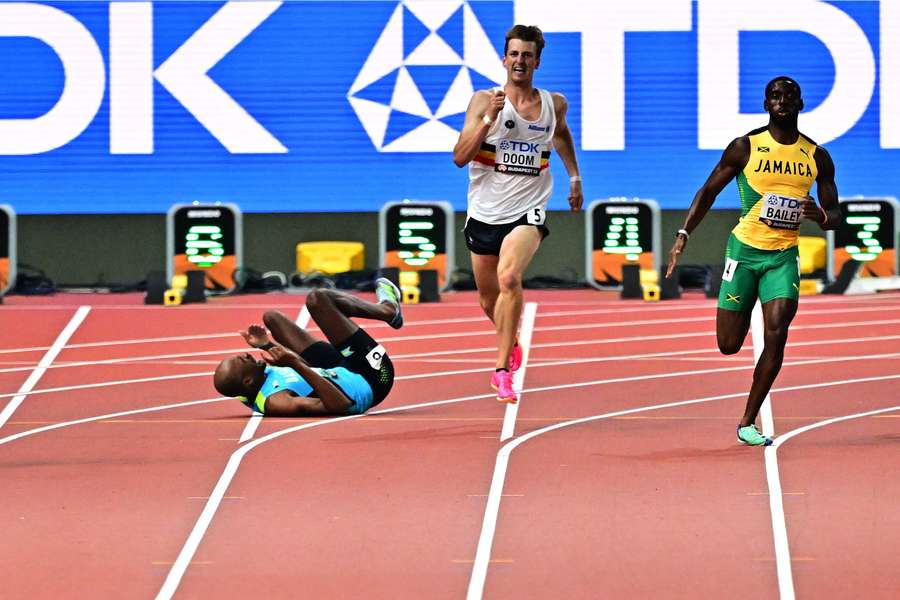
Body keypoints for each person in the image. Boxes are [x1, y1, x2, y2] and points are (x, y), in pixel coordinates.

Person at [666, 76, 841, 446]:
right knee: (729, 344)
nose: (782, 101)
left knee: (777, 332)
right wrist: (683, 234)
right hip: (743, 253)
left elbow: (836, 217)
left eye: (789, 96)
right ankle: (742, 306)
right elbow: (708, 191)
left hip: (782, 257)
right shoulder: (745, 147)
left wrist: (819, 215)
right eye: (775, 96)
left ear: (800, 103)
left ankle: (748, 421)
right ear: (766, 104)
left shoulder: (816, 156)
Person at [452, 24, 583, 403]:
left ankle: (501, 371)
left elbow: (561, 135)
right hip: (484, 212)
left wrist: (574, 177)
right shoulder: (484, 101)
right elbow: (460, 158)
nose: (520, 61)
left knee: (510, 276)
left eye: (527, 55)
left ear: (537, 61)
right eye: (514, 54)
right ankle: (510, 340)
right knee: (488, 300)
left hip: (529, 209)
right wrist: (487, 123)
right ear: (504, 59)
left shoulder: (553, 104)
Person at [213, 279, 403, 417]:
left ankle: (377, 311)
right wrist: (294, 363)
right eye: (241, 360)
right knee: (318, 299)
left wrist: (266, 344)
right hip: (371, 379)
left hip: (334, 371)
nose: (246, 354)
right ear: (247, 381)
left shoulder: (253, 380)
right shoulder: (277, 402)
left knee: (272, 318)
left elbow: (303, 376)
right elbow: (340, 405)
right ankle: (388, 310)